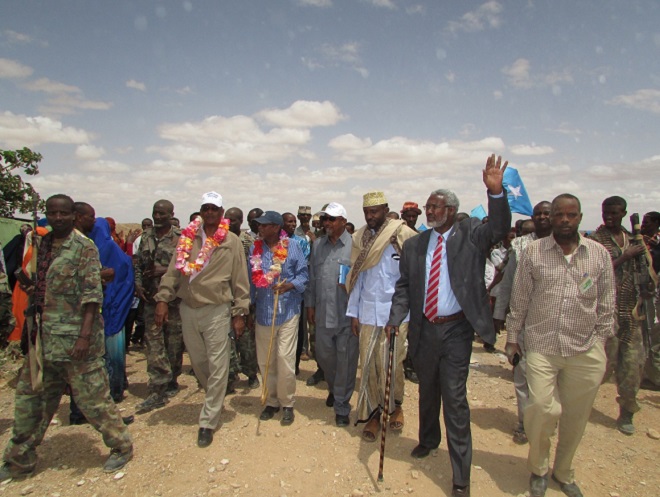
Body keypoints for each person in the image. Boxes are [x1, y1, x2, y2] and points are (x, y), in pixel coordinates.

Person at [386, 155, 511, 497]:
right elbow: (404, 286)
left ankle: (460, 476)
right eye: (428, 206)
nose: (429, 211)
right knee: (427, 389)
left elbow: (499, 228)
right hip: (425, 329)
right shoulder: (415, 244)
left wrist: (496, 193)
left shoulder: (471, 234)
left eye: (436, 207)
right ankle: (428, 440)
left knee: (454, 399)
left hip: (456, 330)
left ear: (452, 211)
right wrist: (396, 318)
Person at [0, 195, 133, 480]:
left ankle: (121, 445)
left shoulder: (83, 247)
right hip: (44, 339)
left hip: (76, 339)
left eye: (63, 213)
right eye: (52, 213)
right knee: (31, 400)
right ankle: (19, 458)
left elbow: (92, 296)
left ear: (73, 215)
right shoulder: (41, 245)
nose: (57, 218)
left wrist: (84, 337)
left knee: (93, 400)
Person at [505, 193, 615, 497]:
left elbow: (607, 303)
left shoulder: (598, 255)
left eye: (571, 215)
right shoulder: (534, 252)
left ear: (580, 218)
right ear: (551, 218)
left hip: (585, 349)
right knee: (541, 408)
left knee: (576, 417)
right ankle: (539, 468)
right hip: (542, 346)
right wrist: (512, 338)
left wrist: (600, 342)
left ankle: (564, 471)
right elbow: (520, 298)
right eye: (559, 215)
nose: (565, 220)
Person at [154, 191, 250, 448]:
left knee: (218, 363)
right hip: (188, 307)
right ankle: (214, 397)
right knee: (198, 362)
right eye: (205, 208)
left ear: (221, 212)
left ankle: (208, 420)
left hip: (217, 308)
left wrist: (240, 312)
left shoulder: (231, 241)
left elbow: (240, 279)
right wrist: (163, 298)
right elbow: (174, 271)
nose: (209, 212)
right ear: (201, 211)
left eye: (214, 208)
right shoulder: (188, 237)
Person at [346, 191, 416, 442]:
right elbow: (357, 278)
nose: (370, 216)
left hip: (395, 315)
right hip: (367, 313)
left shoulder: (404, 235)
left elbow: (412, 280)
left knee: (391, 364)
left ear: (386, 210)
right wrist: (353, 313)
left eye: (374, 211)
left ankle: (395, 406)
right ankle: (373, 414)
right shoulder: (360, 238)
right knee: (368, 366)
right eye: (366, 212)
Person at [492, 201, 552, 444]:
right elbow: (507, 283)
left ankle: (546, 420)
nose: (542, 217)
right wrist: (499, 314)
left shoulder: (567, 245)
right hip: (525, 321)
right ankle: (524, 424)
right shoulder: (520, 246)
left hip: (557, 325)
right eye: (538, 213)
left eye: (547, 213)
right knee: (523, 375)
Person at [587, 196, 648, 434]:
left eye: (614, 213)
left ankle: (627, 411)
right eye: (606, 212)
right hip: (604, 312)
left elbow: (646, 272)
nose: (609, 217)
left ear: (623, 213)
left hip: (631, 313)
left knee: (633, 366)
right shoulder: (595, 241)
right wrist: (625, 256)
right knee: (600, 365)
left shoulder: (634, 239)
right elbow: (590, 275)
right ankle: (576, 405)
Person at [249, 211, 308, 426]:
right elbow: (251, 280)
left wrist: (290, 285)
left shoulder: (293, 246)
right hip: (264, 313)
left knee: (285, 359)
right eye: (259, 225)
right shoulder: (254, 249)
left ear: (276, 227)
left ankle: (288, 402)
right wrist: (248, 307)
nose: (260, 228)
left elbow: (304, 275)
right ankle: (271, 401)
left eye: (264, 225)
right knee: (266, 361)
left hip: (288, 311)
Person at [305, 202, 358, 427]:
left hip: (346, 314)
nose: (326, 223)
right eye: (325, 219)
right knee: (325, 357)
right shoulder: (318, 245)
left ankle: (342, 405)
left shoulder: (355, 245)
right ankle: (335, 389)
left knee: (346, 361)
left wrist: (357, 314)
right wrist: (310, 306)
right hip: (323, 313)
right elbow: (311, 277)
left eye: (332, 219)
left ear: (343, 222)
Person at [134, 200, 184, 413]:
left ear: (171, 214)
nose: (158, 217)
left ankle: (172, 379)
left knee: (173, 343)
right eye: (155, 213)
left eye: (162, 213)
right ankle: (157, 387)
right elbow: (138, 264)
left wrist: (163, 271)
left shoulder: (181, 238)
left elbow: (187, 267)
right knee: (153, 342)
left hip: (174, 300)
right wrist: (137, 284)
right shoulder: (146, 237)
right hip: (150, 299)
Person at [225, 207, 259, 390]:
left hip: (244, 297)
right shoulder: (219, 240)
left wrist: (250, 300)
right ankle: (230, 377)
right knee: (226, 341)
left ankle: (251, 374)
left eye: (233, 220)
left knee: (246, 341)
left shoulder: (249, 242)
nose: (228, 223)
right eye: (226, 219)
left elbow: (254, 272)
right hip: (224, 297)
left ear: (241, 222)